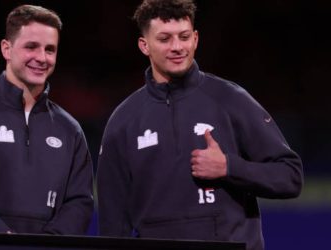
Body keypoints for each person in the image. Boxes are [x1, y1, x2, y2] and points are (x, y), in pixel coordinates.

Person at [97, 0, 303, 249]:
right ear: (144, 45)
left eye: (184, 37)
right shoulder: (124, 120)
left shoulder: (231, 99)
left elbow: (290, 176)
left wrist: (229, 167)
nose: (177, 47)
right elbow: (112, 220)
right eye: (164, 39)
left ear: (195, 39)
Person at [0, 4, 94, 235]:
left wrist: (49, 243)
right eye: (31, 47)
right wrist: (3, 238)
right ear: (6, 48)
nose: (42, 58)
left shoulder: (69, 129)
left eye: (50, 49)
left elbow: (80, 201)